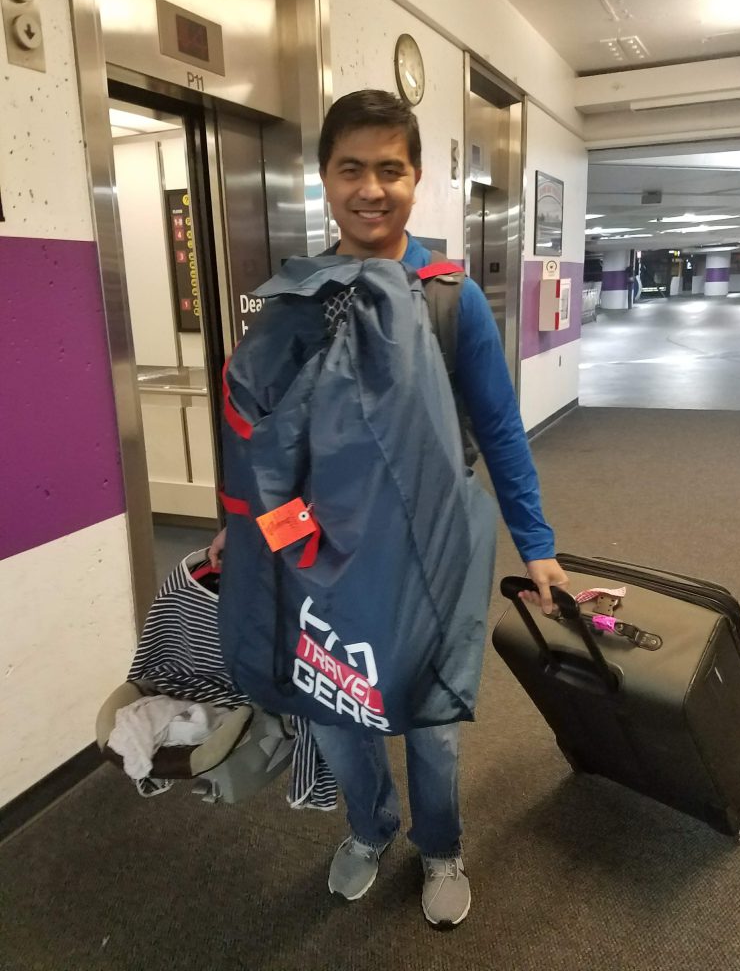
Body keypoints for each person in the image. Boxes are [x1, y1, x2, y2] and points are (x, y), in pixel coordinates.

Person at [210, 89, 568, 928]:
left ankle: (440, 843)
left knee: (432, 720)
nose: (372, 188)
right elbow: (256, 439)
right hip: (317, 557)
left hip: (431, 552)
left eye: (391, 169)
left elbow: (501, 430)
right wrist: (255, 540)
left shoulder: (450, 300)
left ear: (414, 179)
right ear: (325, 178)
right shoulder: (293, 302)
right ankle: (369, 827)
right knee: (337, 712)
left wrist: (537, 542)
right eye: (352, 169)